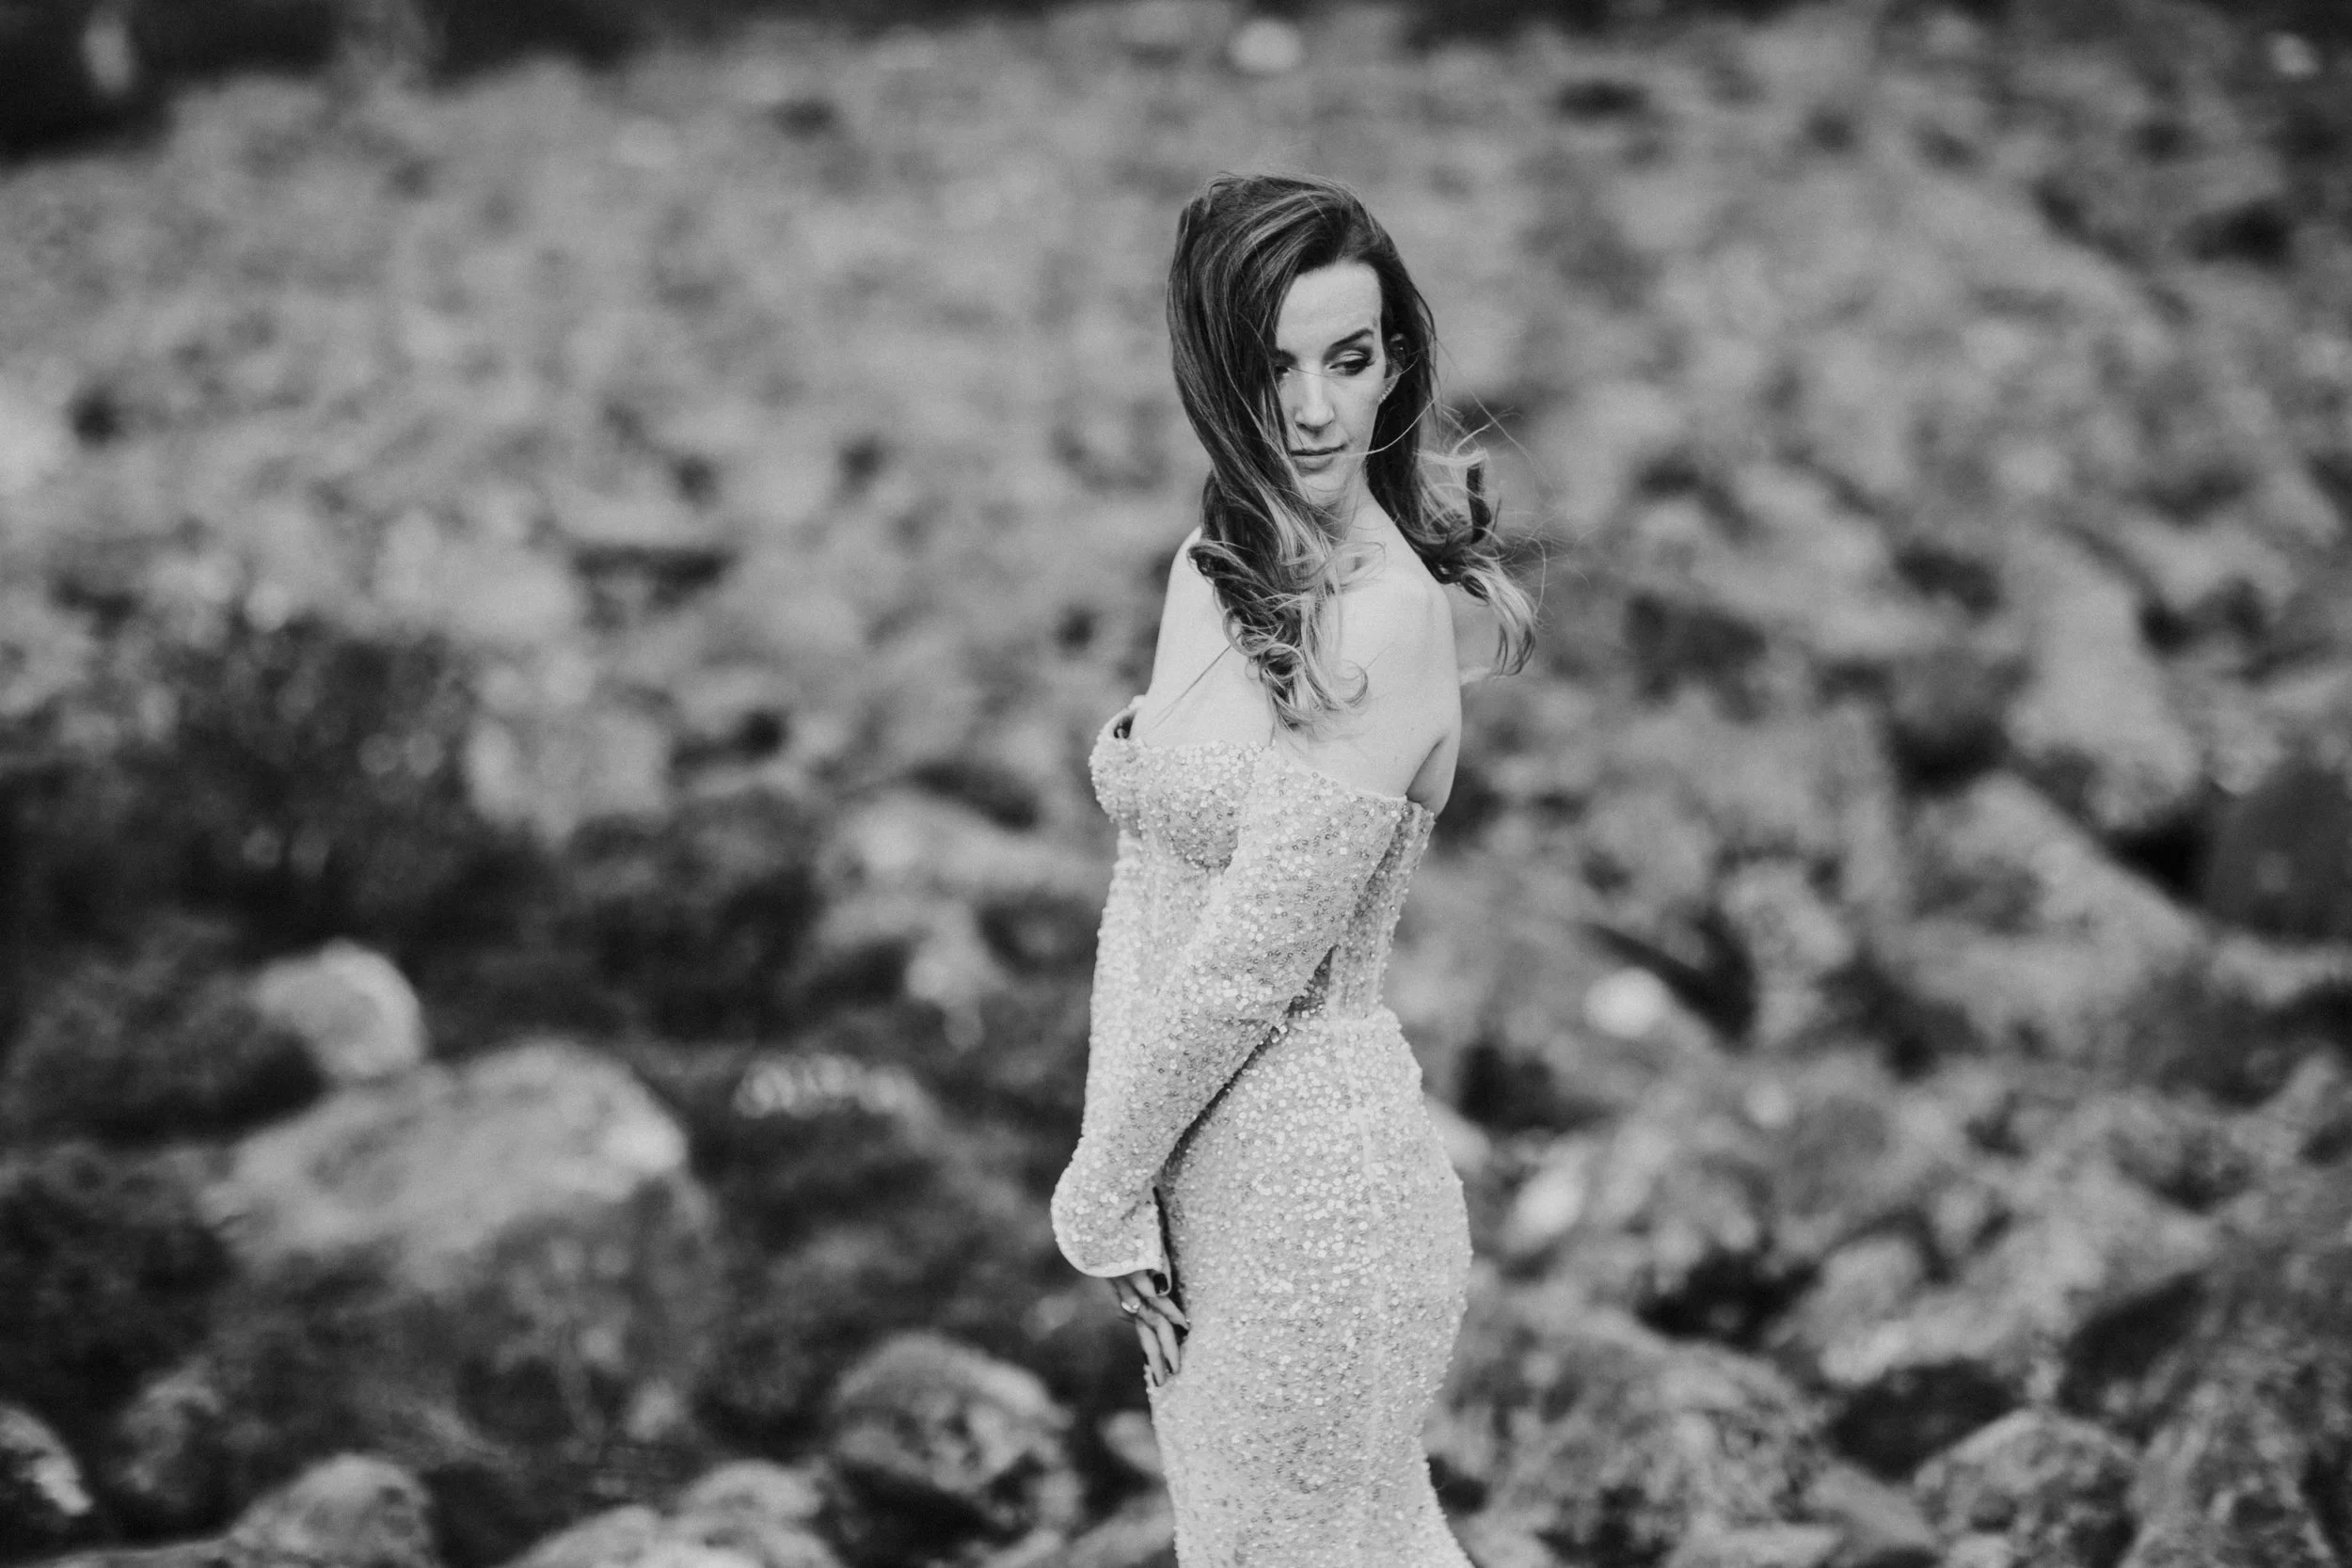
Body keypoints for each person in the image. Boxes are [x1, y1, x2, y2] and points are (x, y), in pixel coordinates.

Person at [1048, 172, 1535, 1566]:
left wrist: (1096, 1183)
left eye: (1351, 357)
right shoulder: (1214, 565)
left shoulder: (1384, 622)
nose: (1318, 409)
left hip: (1318, 1200)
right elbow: (1147, 895)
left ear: (1396, 363)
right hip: (1199, 1189)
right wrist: (1128, 1182)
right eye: (1273, 364)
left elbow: (1251, 956)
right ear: (1211, 369)